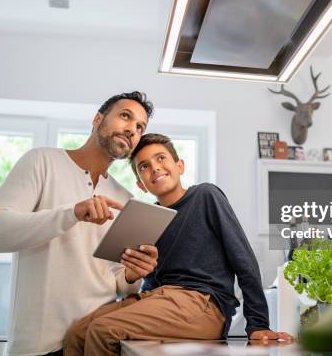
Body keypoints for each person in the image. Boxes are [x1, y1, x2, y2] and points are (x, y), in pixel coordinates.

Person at [63, 133, 293, 356]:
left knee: (103, 331)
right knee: (77, 334)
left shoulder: (205, 195)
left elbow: (243, 260)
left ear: (180, 165)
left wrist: (257, 324)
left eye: (161, 158)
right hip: (159, 298)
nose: (154, 167)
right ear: (141, 185)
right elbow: (151, 280)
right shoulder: (148, 217)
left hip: (202, 303)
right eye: (144, 166)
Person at [0, 92, 159, 356]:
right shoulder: (42, 161)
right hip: (38, 345)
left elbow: (119, 283)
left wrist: (134, 274)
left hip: (95, 341)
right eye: (125, 116)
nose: (132, 129)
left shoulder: (124, 199)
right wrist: (71, 213)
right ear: (97, 119)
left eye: (140, 127)